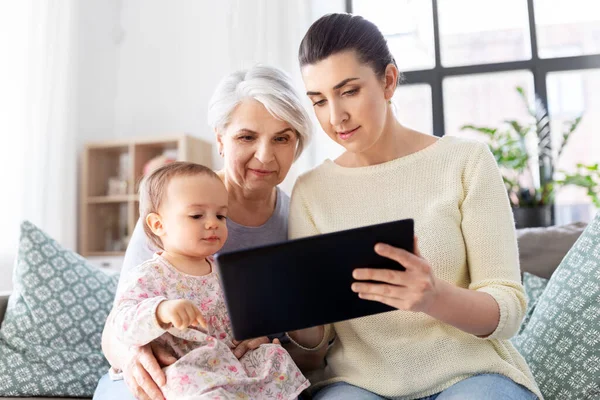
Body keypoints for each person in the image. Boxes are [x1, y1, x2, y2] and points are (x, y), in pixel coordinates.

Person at [285, 13, 542, 400]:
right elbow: (316, 345)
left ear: (388, 80)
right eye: (319, 100)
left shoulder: (466, 161)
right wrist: (297, 318)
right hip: (359, 384)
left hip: (469, 375)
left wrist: (434, 297)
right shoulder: (311, 191)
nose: (335, 117)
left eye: (349, 91)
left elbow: (508, 308)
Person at [94, 65, 313, 400]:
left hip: (239, 369)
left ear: (296, 144)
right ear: (220, 139)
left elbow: (312, 341)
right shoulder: (171, 208)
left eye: (282, 138)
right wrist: (134, 358)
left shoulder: (303, 217)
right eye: (247, 136)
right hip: (171, 371)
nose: (265, 155)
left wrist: (269, 341)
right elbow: (117, 325)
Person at [111, 161, 309, 399]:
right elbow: (121, 322)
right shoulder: (149, 275)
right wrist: (160, 311)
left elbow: (244, 317)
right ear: (158, 224)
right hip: (185, 364)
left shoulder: (224, 271)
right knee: (184, 383)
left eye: (221, 215)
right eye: (196, 215)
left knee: (274, 356)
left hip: (229, 359)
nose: (213, 223)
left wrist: (256, 336)